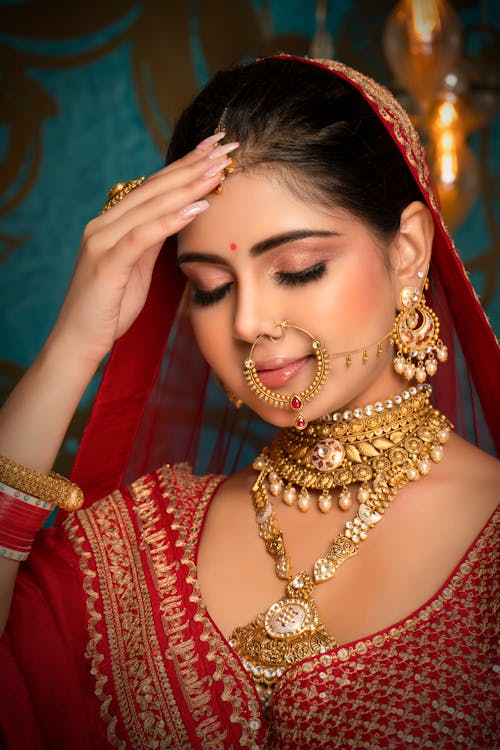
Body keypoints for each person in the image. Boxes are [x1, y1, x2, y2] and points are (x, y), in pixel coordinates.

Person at [0, 55, 498, 749]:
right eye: (208, 286)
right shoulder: (133, 546)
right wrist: (73, 347)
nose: (246, 323)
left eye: (298, 269)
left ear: (409, 251)